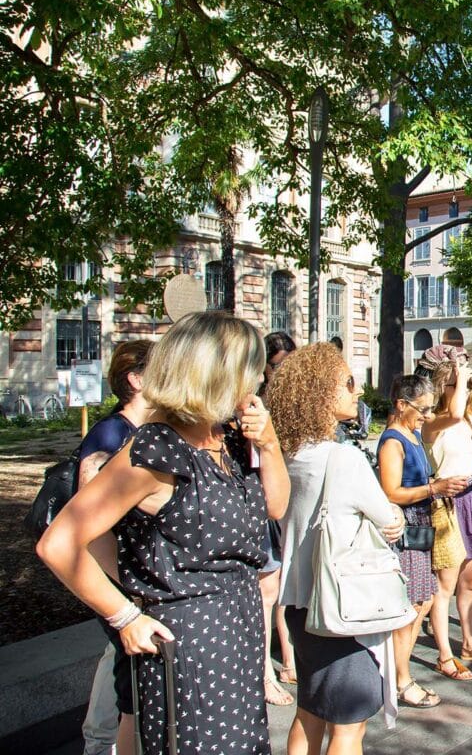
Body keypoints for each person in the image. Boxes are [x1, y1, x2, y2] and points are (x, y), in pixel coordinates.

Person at [39, 312, 288, 755]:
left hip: (240, 633)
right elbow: (59, 542)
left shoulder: (226, 439)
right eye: (252, 372)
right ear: (217, 375)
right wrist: (125, 616)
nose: (256, 385)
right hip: (191, 645)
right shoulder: (158, 446)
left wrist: (268, 445)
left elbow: (275, 507)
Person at [269, 343, 405, 754]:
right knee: (348, 727)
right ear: (321, 392)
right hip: (341, 604)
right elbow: (389, 519)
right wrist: (393, 518)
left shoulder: (286, 453)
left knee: (309, 711)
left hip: (296, 599)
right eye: (348, 383)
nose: (357, 392)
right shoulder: (342, 459)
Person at [77, 340, 154, 755]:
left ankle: (99, 740)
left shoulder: (145, 433)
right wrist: (124, 590)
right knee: (126, 668)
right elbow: (88, 527)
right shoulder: (112, 432)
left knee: (120, 660)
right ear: (136, 379)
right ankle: (99, 743)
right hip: (119, 578)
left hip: (134, 576)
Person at [377, 374, 467, 708]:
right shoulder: (392, 442)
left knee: (423, 600)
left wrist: (438, 484)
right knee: (413, 603)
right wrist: (434, 488)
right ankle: (401, 678)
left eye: (430, 409)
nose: (428, 415)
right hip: (409, 525)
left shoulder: (412, 435)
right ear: (401, 405)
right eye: (423, 408)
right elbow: (390, 492)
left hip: (422, 520)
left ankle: (399, 671)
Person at [423, 358, 472, 678]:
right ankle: (445, 654)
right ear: (444, 388)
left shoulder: (469, 417)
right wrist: (458, 373)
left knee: (470, 582)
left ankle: (469, 642)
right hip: (448, 503)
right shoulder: (432, 421)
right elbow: (453, 413)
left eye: (469, 384)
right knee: (445, 586)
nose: (467, 390)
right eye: (460, 384)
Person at [258, 330, 299, 702]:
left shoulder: (295, 404)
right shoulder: (255, 406)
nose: (282, 373)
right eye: (276, 366)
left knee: (286, 582)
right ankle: (266, 672)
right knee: (268, 588)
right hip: (263, 502)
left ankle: (289, 658)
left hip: (290, 498)